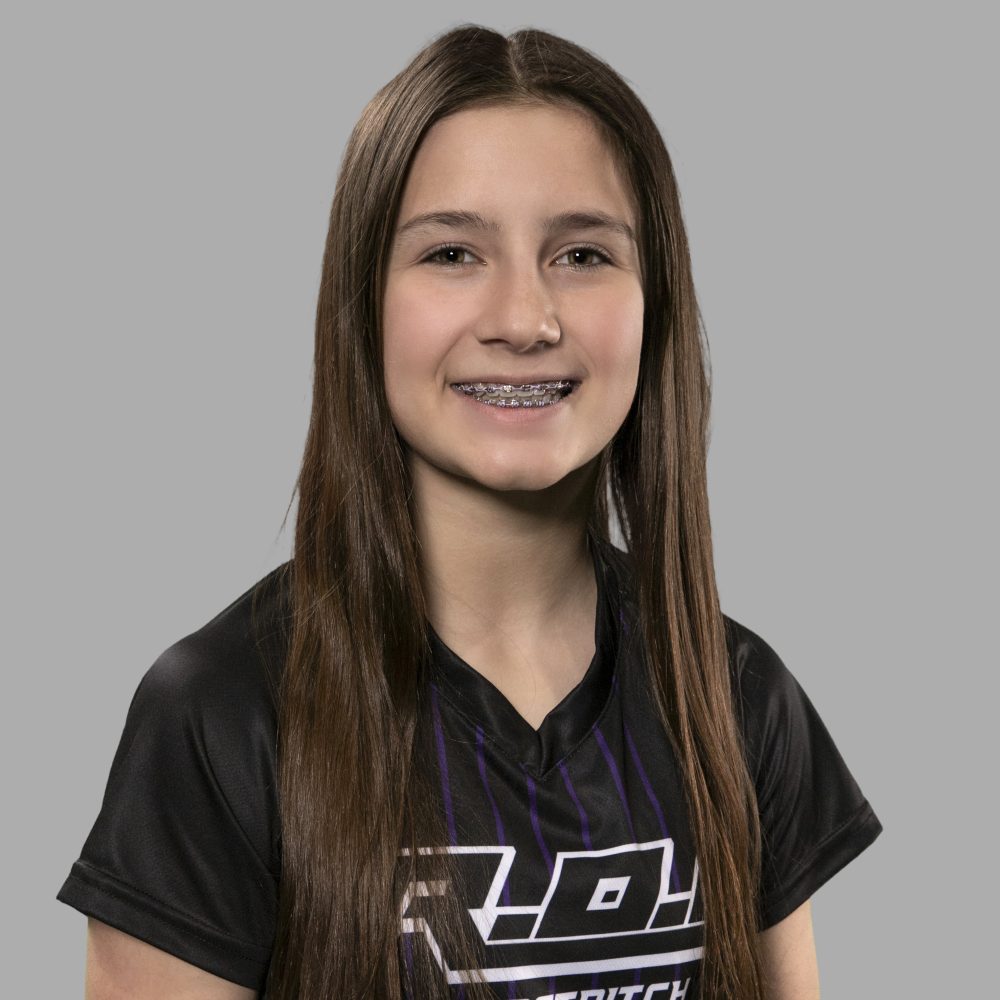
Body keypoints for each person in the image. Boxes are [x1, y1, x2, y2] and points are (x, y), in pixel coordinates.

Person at [58, 24, 882, 1000]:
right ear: (362, 304)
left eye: (582, 252)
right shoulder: (222, 712)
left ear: (653, 303)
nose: (524, 319)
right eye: (452, 252)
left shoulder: (739, 696)